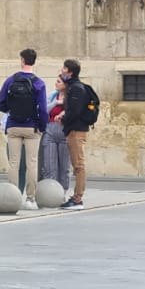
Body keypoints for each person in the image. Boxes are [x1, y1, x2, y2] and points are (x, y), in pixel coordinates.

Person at [0, 48, 49, 210]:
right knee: (32, 163)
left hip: (13, 126)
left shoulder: (11, 80)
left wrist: (11, 111)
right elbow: (43, 109)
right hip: (32, 127)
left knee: (14, 163)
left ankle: (13, 197)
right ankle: (30, 199)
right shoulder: (39, 83)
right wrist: (41, 126)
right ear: (34, 61)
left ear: (22, 60)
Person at [59, 59, 92, 210]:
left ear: (70, 72)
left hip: (77, 130)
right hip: (74, 130)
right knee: (77, 164)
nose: (62, 70)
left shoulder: (76, 88)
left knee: (79, 165)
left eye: (65, 68)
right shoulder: (72, 87)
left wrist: (63, 118)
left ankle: (78, 198)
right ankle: (76, 197)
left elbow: (75, 111)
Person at [39, 75, 71, 192]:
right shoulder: (53, 96)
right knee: (49, 165)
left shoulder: (71, 97)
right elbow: (44, 110)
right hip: (50, 131)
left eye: (59, 82)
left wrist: (63, 111)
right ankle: (50, 192)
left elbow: (73, 110)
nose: (56, 83)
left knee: (64, 166)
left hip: (64, 132)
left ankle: (63, 192)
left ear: (65, 84)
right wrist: (57, 103)